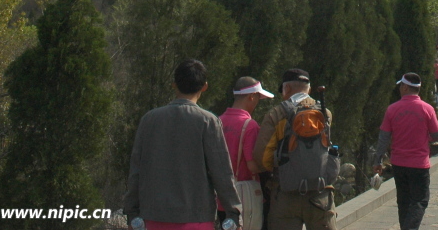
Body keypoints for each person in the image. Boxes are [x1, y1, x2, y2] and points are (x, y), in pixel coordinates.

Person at [124, 59, 243, 230]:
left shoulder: (149, 120)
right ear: (204, 87)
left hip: (153, 217)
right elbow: (222, 172)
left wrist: (132, 213)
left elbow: (136, 170)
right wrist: (233, 213)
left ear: (174, 84)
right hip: (196, 218)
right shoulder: (208, 121)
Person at [253, 68, 336, 230]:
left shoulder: (276, 114)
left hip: (285, 193)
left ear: (287, 89)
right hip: (320, 193)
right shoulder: (325, 113)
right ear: (310, 90)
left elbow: (262, 158)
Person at [372, 73, 438, 230]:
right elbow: (437, 135)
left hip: (399, 163)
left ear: (404, 87)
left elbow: (383, 138)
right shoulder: (427, 108)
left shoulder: (392, 109)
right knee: (419, 201)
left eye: (400, 86)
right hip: (419, 164)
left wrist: (378, 161)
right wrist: (426, 138)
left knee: (403, 201)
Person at [218, 76, 274, 230]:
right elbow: (253, 166)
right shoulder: (250, 126)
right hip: (245, 198)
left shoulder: (218, 121)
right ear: (251, 96)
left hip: (222, 198)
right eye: (258, 98)